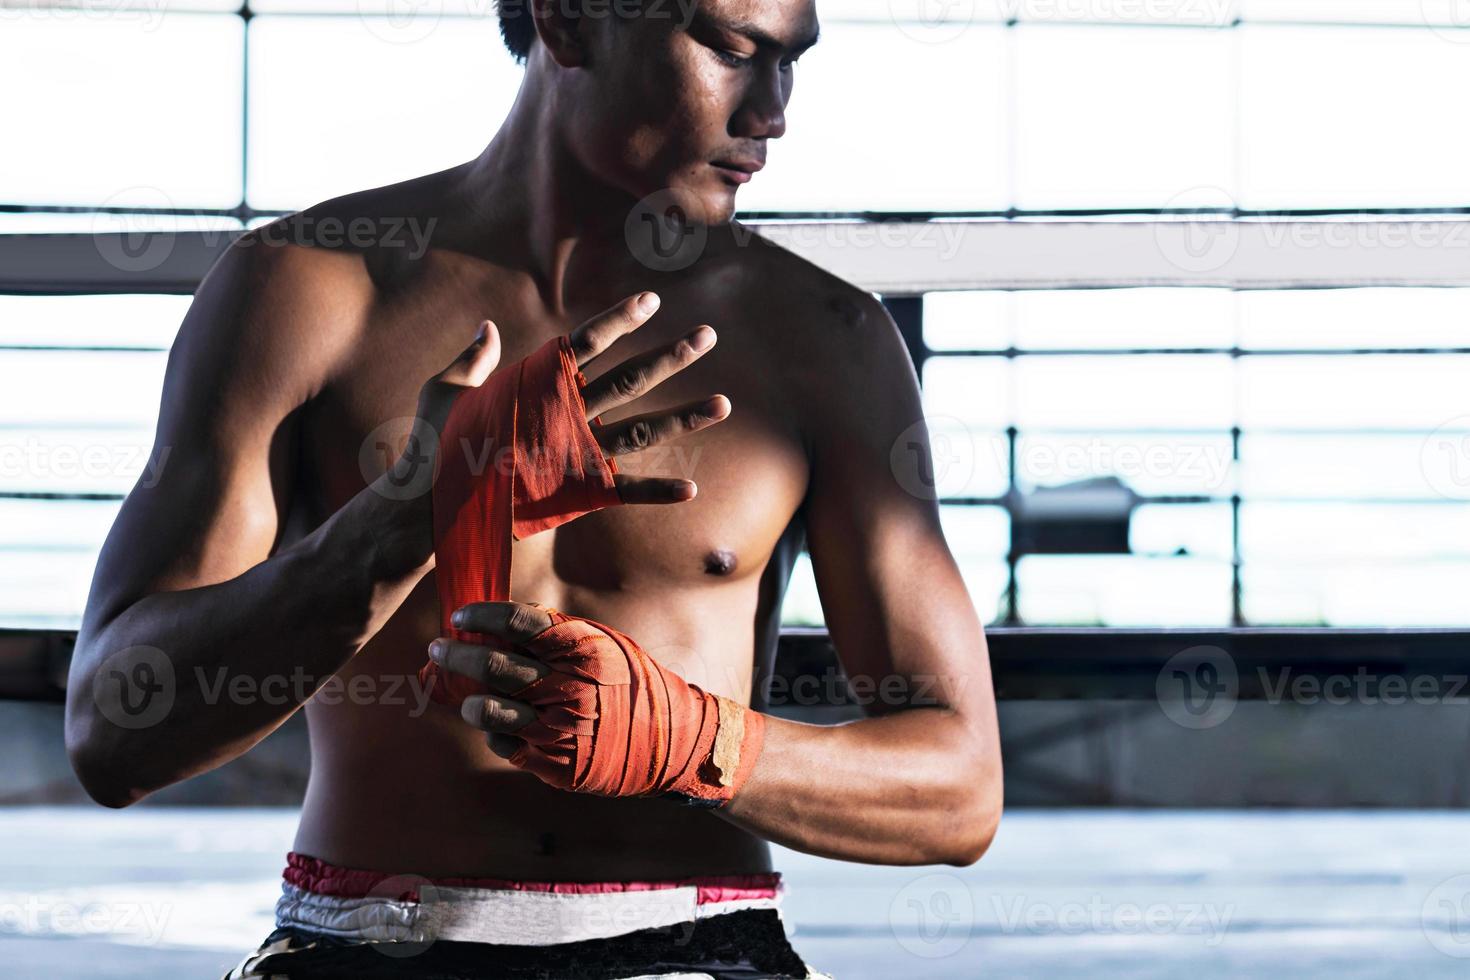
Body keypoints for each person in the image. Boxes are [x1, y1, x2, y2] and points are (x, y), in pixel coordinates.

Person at [64, 1, 1002, 975]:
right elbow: (111, 731)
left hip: (695, 947)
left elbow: (958, 789)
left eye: (790, 61)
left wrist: (689, 738)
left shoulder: (822, 338)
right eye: (730, 49)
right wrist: (403, 518)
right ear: (568, 22)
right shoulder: (304, 290)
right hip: (361, 943)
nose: (772, 111)